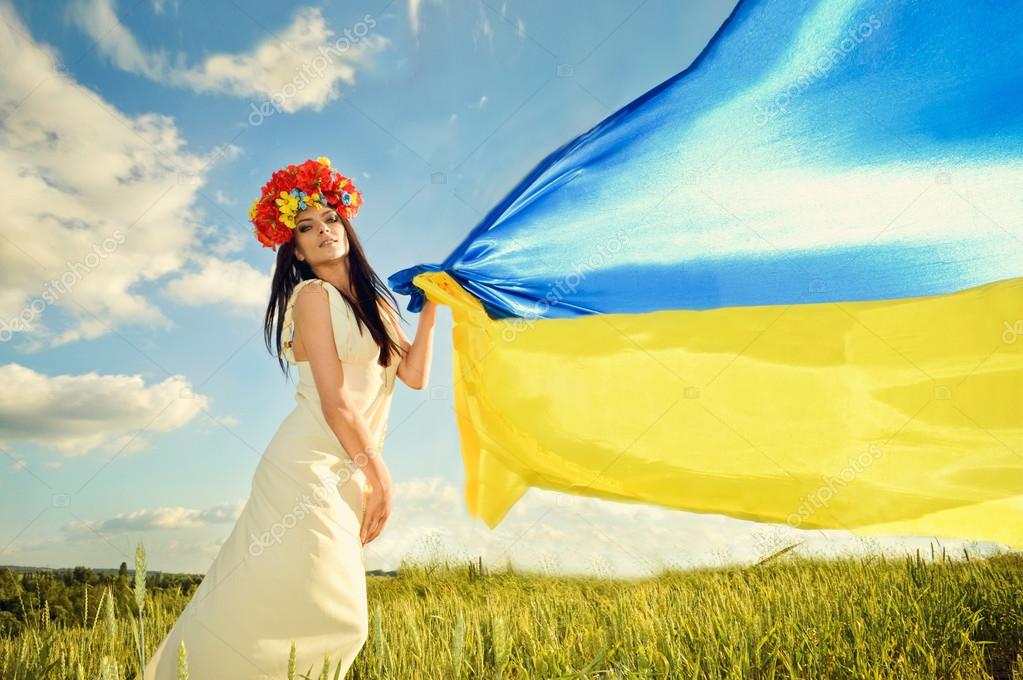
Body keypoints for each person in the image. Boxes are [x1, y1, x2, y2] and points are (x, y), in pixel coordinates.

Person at [142, 156, 437, 679]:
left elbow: (413, 376)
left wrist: (432, 306)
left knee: (282, 603)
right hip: (307, 466)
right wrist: (383, 482)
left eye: (330, 219)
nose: (322, 231)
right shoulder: (312, 297)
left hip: (350, 468)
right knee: (338, 617)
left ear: (346, 225)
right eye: (306, 227)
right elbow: (336, 402)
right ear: (294, 248)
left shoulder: (380, 306)